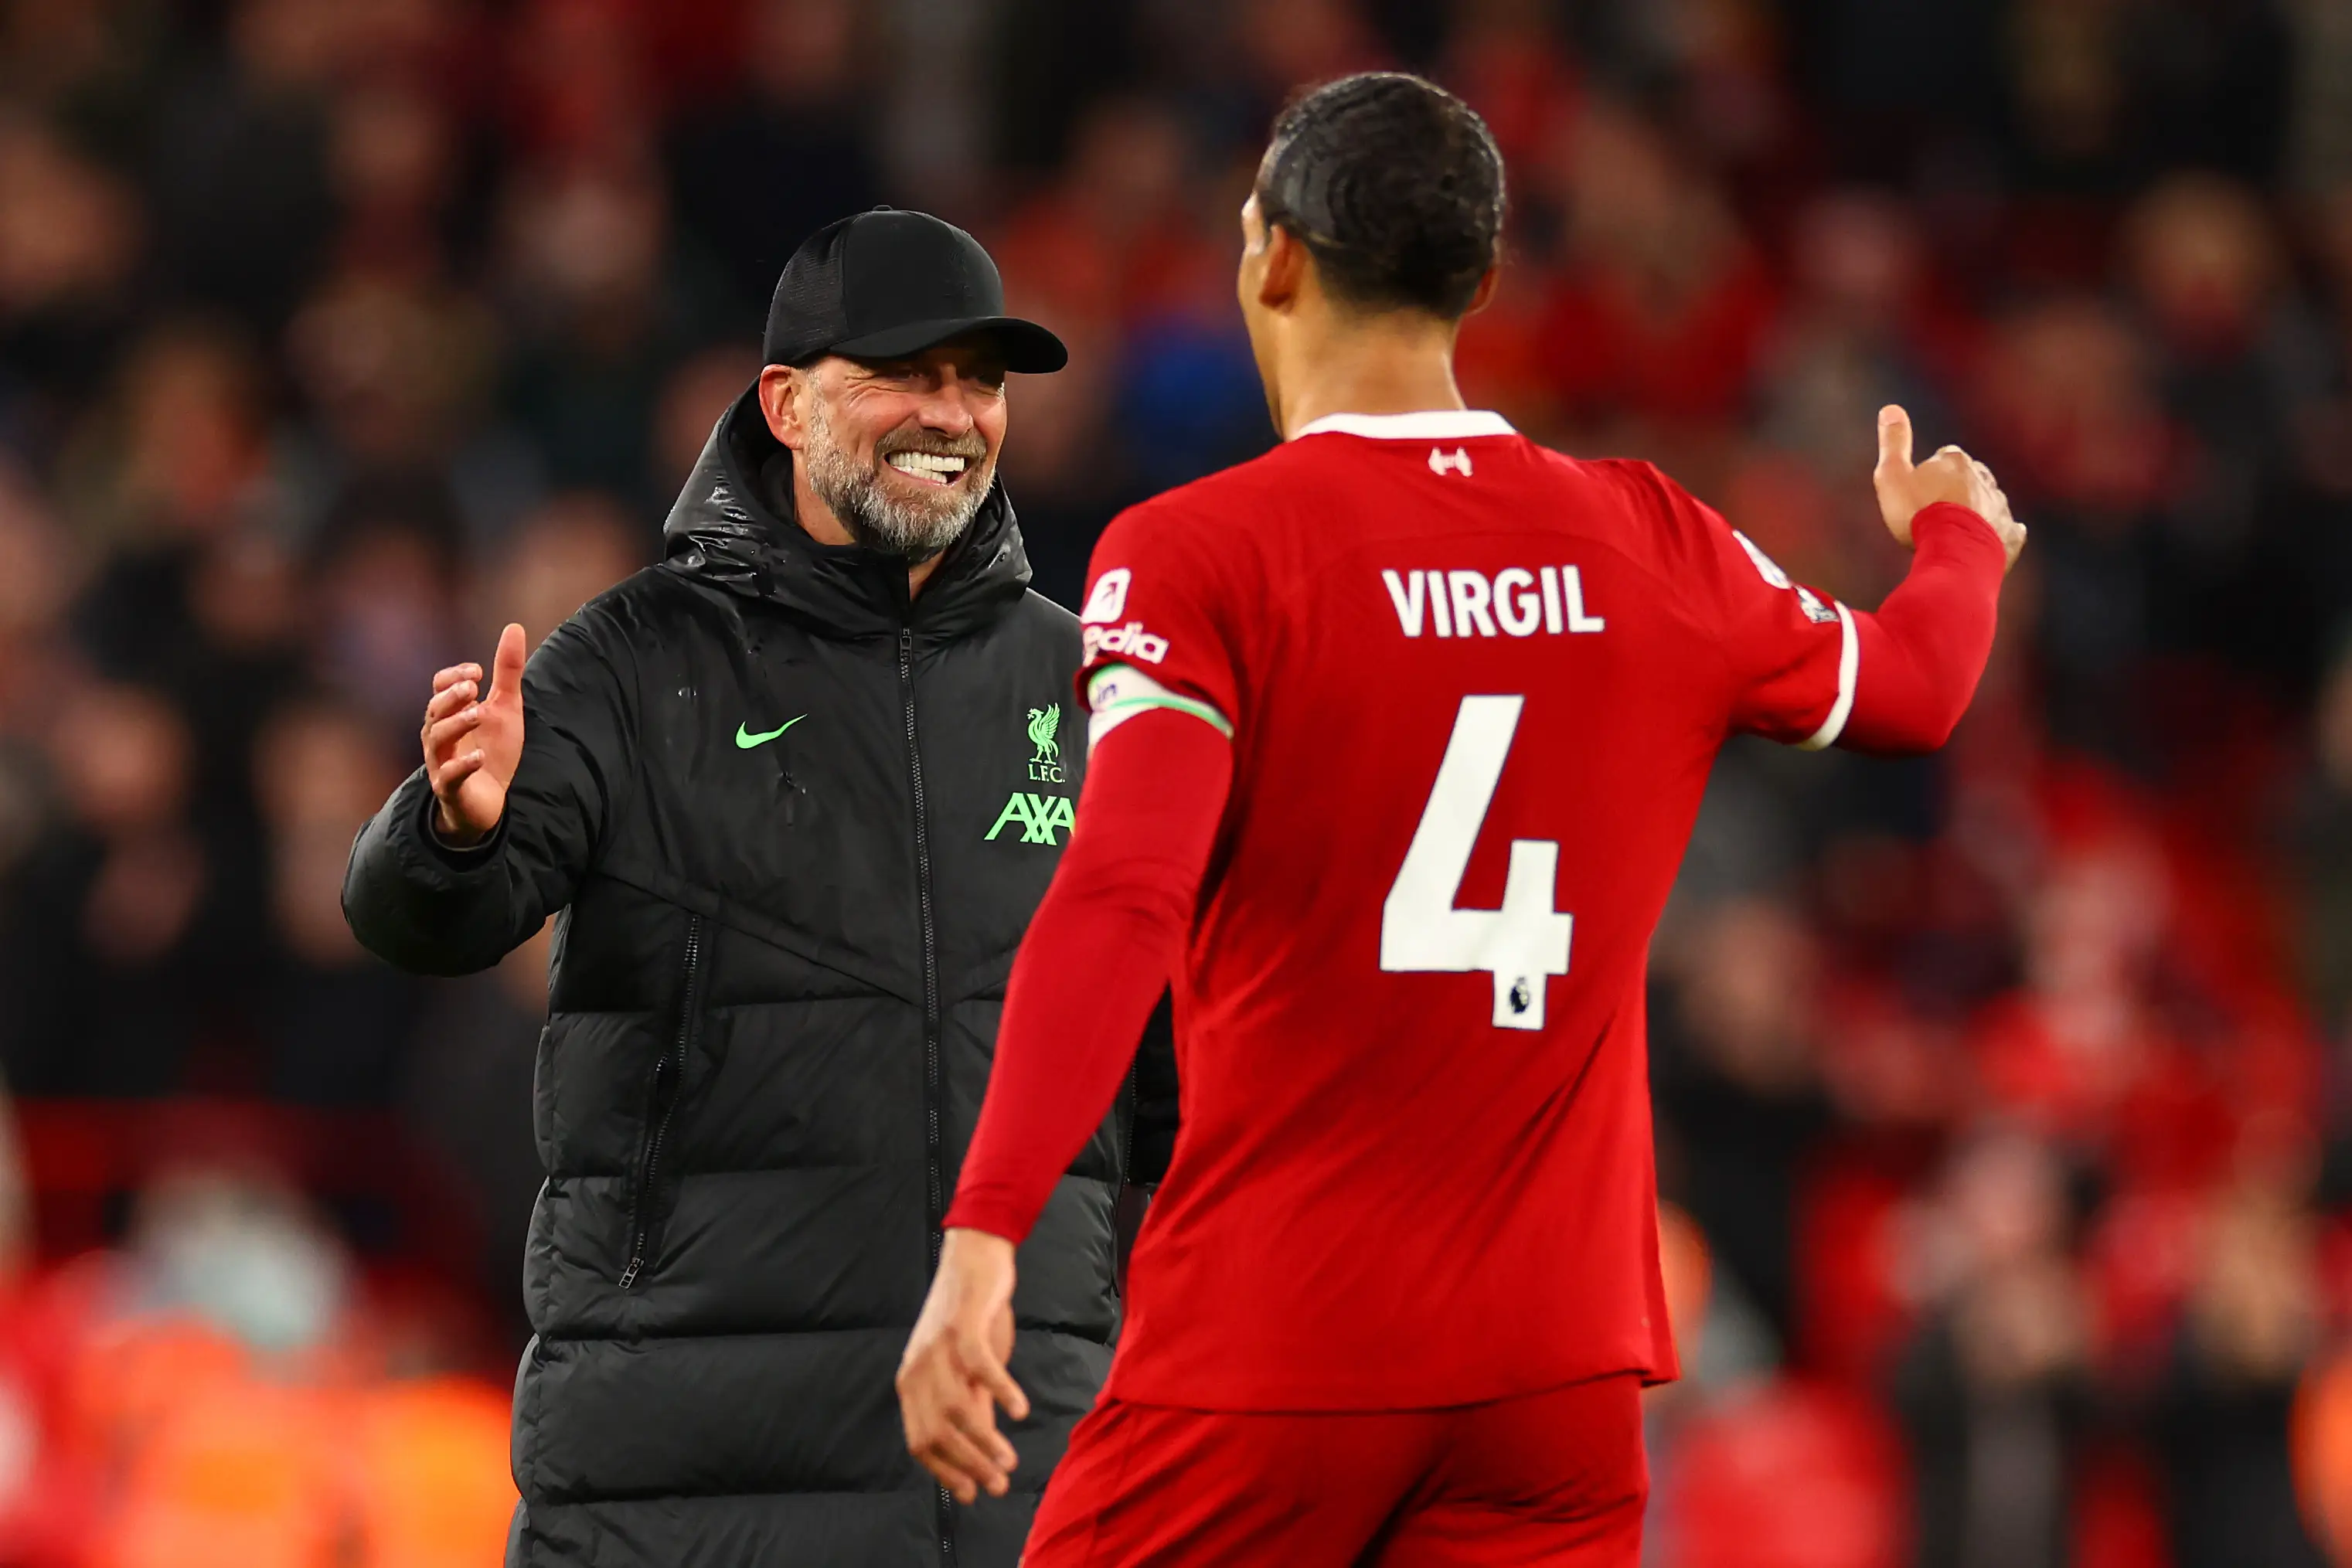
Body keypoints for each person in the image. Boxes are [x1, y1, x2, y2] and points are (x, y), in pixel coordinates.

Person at [897, 74, 2027, 1566]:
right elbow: (1917, 684)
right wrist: (1956, 537)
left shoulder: (1196, 556)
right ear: (1480, 281)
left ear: (1272, 259)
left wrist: (986, 1230)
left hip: (1279, 1347)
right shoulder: (1650, 536)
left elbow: (1121, 894)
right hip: (1555, 1378)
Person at [343, 209, 1169, 1568]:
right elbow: (428, 925)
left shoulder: (1080, 683)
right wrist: (452, 827)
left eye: (978, 380)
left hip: (1018, 1459)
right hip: (683, 1473)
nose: (948, 414)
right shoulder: (629, 659)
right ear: (785, 404)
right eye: (904, 373)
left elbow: (1166, 1078)